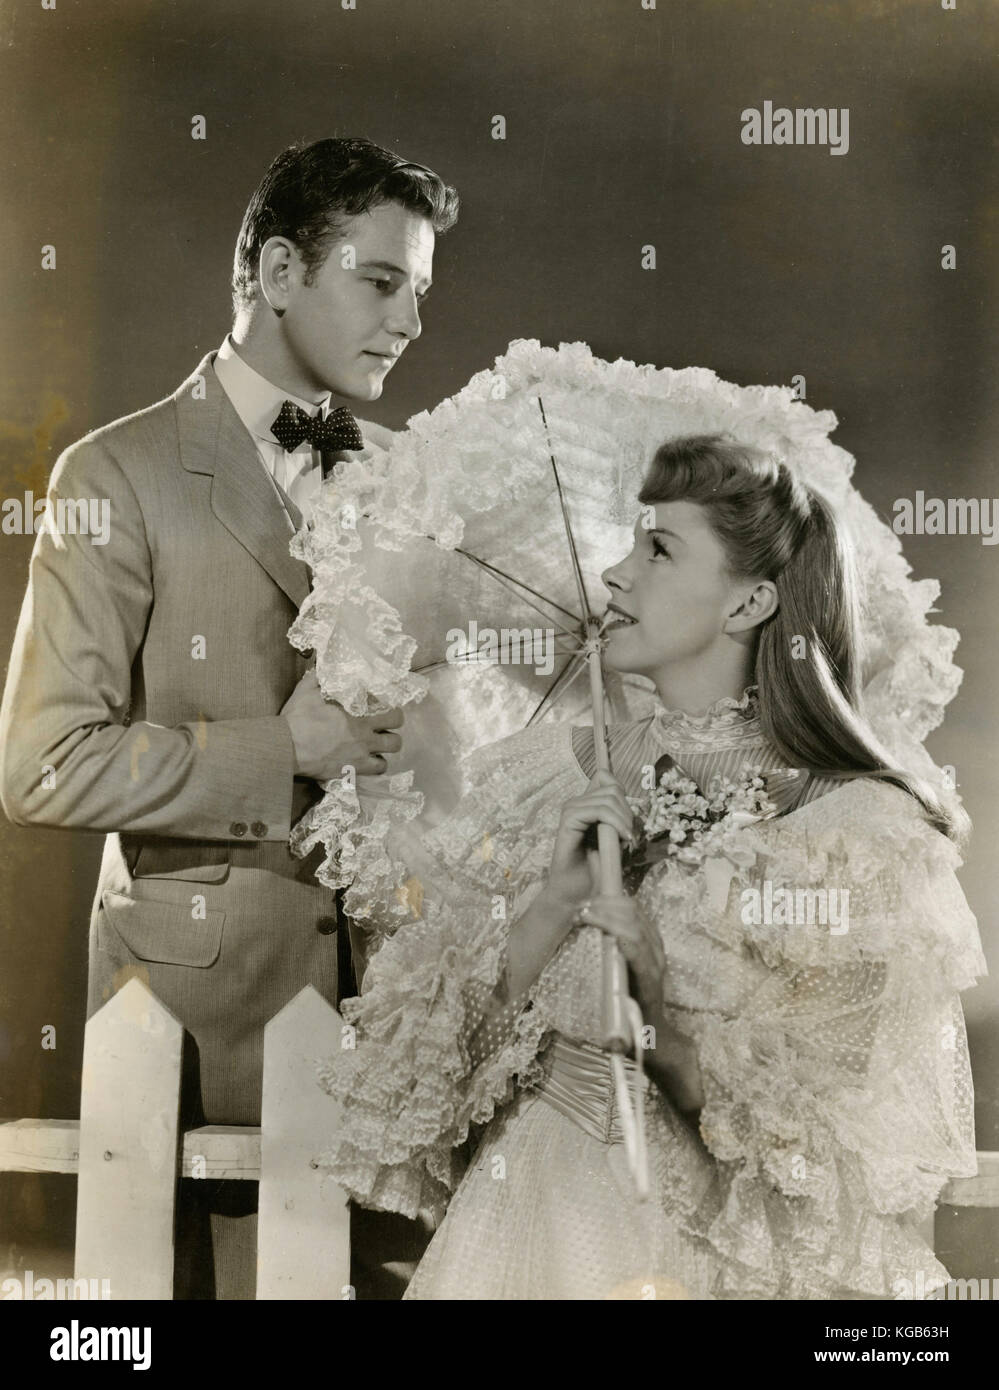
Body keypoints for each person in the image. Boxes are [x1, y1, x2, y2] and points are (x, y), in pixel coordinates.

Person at [319, 434, 986, 1299]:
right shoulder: (542, 778)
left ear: (748, 604)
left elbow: (826, 1155)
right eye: (633, 542)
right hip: (527, 1217)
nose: (614, 576)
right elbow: (418, 1091)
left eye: (659, 549)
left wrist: (659, 1017)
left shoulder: (854, 829)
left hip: (709, 1253)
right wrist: (553, 904)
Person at [0, 136, 458, 1299]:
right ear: (278, 271)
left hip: (405, 1024)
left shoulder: (415, 484)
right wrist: (282, 754)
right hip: (198, 1035)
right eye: (381, 280)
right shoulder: (118, 474)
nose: (409, 322)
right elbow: (44, 765)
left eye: (422, 291)